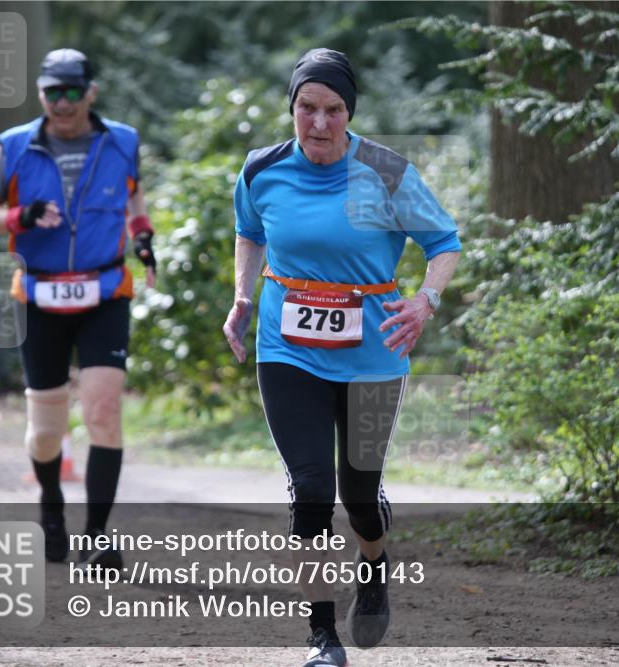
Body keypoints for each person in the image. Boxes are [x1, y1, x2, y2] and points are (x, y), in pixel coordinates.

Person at [223, 48, 461, 667]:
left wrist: (426, 300)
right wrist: (244, 297)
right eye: (308, 108)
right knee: (309, 491)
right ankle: (321, 634)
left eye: (333, 110)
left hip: (372, 355)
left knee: (359, 497)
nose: (319, 123)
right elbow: (250, 233)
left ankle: (375, 564)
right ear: (293, 108)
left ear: (349, 113)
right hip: (288, 350)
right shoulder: (261, 170)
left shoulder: (385, 171)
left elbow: (445, 242)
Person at [0, 48, 156, 568]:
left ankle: (97, 534)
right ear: (41, 93)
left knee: (102, 410)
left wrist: (143, 240)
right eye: (54, 92)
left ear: (90, 92)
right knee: (47, 429)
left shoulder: (122, 141)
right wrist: (19, 215)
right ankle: (51, 508)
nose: (64, 102)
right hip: (40, 297)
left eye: (74, 91)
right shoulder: (14, 147)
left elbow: (134, 198)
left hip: (104, 292)